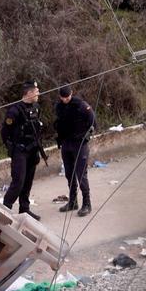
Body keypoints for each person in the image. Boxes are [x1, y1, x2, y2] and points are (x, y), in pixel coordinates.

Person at [0, 81, 45, 220]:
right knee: (18, 182)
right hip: (20, 151)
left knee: (28, 181)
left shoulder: (36, 107)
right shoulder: (14, 111)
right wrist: (12, 148)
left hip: (32, 149)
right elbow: (4, 133)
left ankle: (24, 209)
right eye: (36, 91)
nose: (38, 93)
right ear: (29, 93)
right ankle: (5, 209)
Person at [53, 85, 96, 216]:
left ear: (71, 94)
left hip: (79, 144)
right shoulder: (59, 106)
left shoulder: (81, 105)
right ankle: (72, 201)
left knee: (81, 174)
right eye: (63, 97)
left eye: (67, 97)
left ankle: (87, 203)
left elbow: (93, 122)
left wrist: (86, 137)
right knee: (69, 174)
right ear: (60, 96)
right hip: (66, 143)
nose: (65, 100)